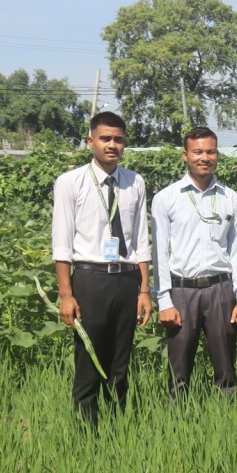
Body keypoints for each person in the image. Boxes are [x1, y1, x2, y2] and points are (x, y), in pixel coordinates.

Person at [52, 111, 152, 423]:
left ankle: (116, 429)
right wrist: (66, 295)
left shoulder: (135, 182)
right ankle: (86, 435)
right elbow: (62, 244)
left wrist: (144, 290)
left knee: (120, 363)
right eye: (105, 139)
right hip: (90, 280)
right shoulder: (71, 182)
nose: (112, 145)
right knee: (89, 360)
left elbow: (141, 241)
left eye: (118, 140)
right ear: (90, 141)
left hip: (125, 280)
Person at [151, 126, 237, 401]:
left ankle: (227, 422)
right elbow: (160, 254)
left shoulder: (231, 198)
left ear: (217, 154)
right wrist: (164, 301)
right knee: (178, 370)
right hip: (181, 292)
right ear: (185, 155)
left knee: (226, 368)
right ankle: (178, 426)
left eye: (211, 151)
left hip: (220, 290)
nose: (204, 157)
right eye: (198, 152)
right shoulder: (166, 198)